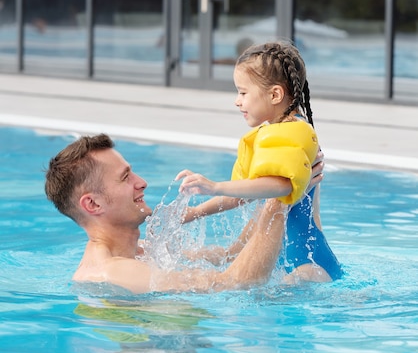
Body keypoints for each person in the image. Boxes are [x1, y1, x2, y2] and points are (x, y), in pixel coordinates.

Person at [176, 41, 342, 283]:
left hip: (310, 265)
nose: (237, 100)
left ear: (275, 94)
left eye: (243, 92)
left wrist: (214, 186)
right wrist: (195, 213)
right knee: (230, 257)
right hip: (291, 258)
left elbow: (280, 186)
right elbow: (244, 191)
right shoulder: (274, 134)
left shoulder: (295, 130)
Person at [45, 133, 294, 295]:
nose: (141, 182)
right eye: (125, 177)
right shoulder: (112, 273)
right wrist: (282, 198)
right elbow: (236, 285)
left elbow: (230, 255)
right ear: (93, 204)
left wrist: (270, 190)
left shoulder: (139, 252)